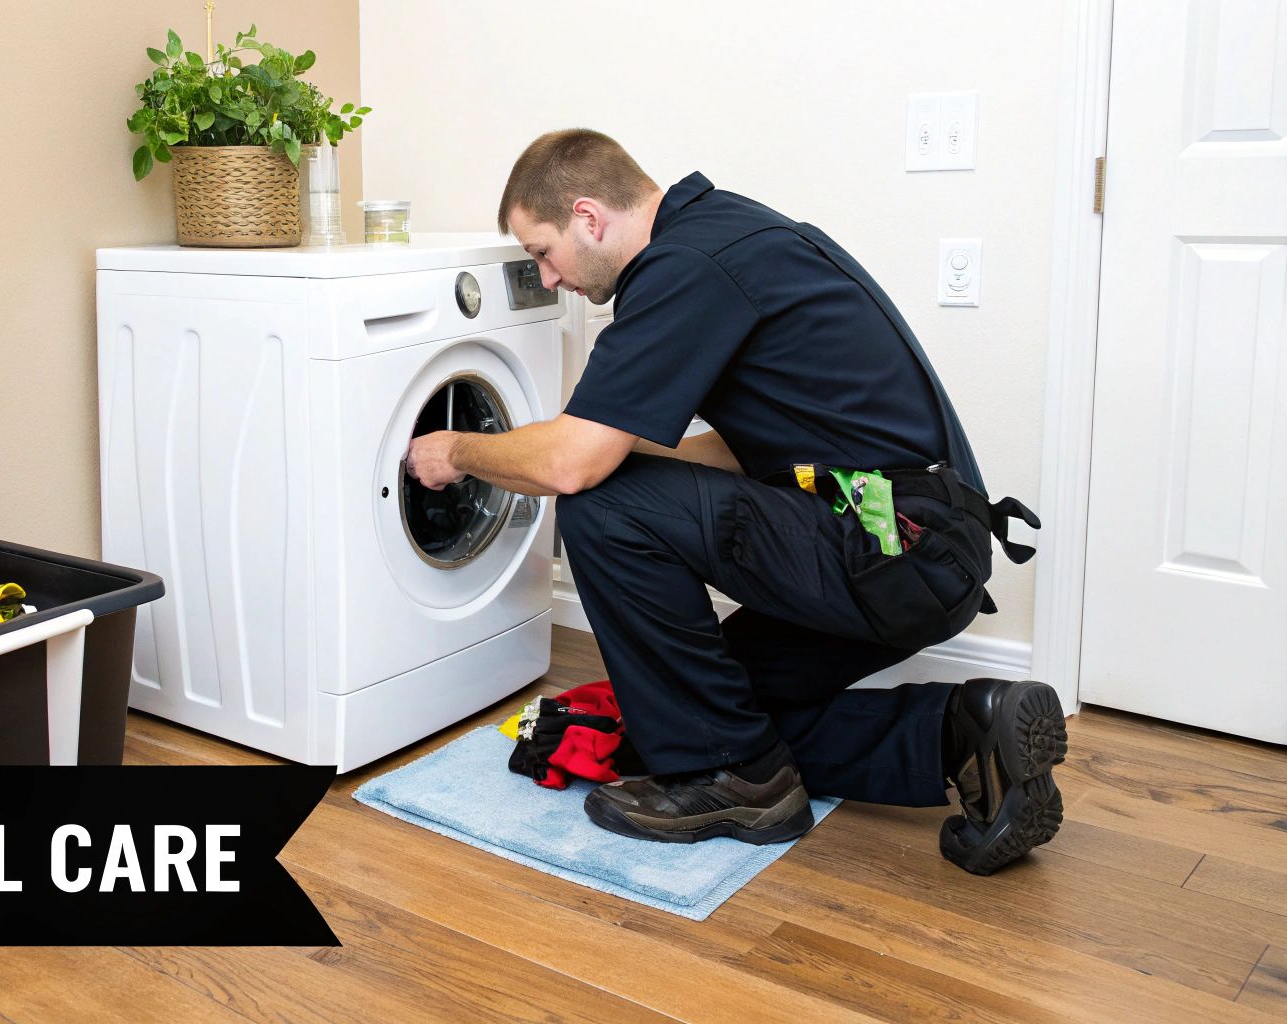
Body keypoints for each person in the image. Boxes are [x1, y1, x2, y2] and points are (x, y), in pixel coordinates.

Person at [403, 129, 1062, 876]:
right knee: (692, 717)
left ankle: (738, 784)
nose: (549, 278)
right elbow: (740, 453)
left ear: (589, 217)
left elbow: (569, 468)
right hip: (917, 553)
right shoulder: (731, 234)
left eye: (543, 252)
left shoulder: (682, 269)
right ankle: (964, 734)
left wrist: (456, 452)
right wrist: (607, 437)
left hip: (890, 548)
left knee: (601, 508)